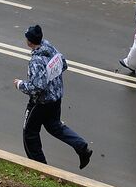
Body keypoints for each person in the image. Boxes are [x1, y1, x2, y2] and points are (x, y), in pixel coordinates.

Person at [13, 23, 92, 170]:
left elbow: (37, 87)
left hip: (40, 103)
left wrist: (20, 84)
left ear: (29, 41)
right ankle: (81, 147)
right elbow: (64, 64)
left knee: (29, 134)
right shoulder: (49, 47)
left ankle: (40, 168)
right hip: (56, 99)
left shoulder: (36, 61)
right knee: (54, 127)